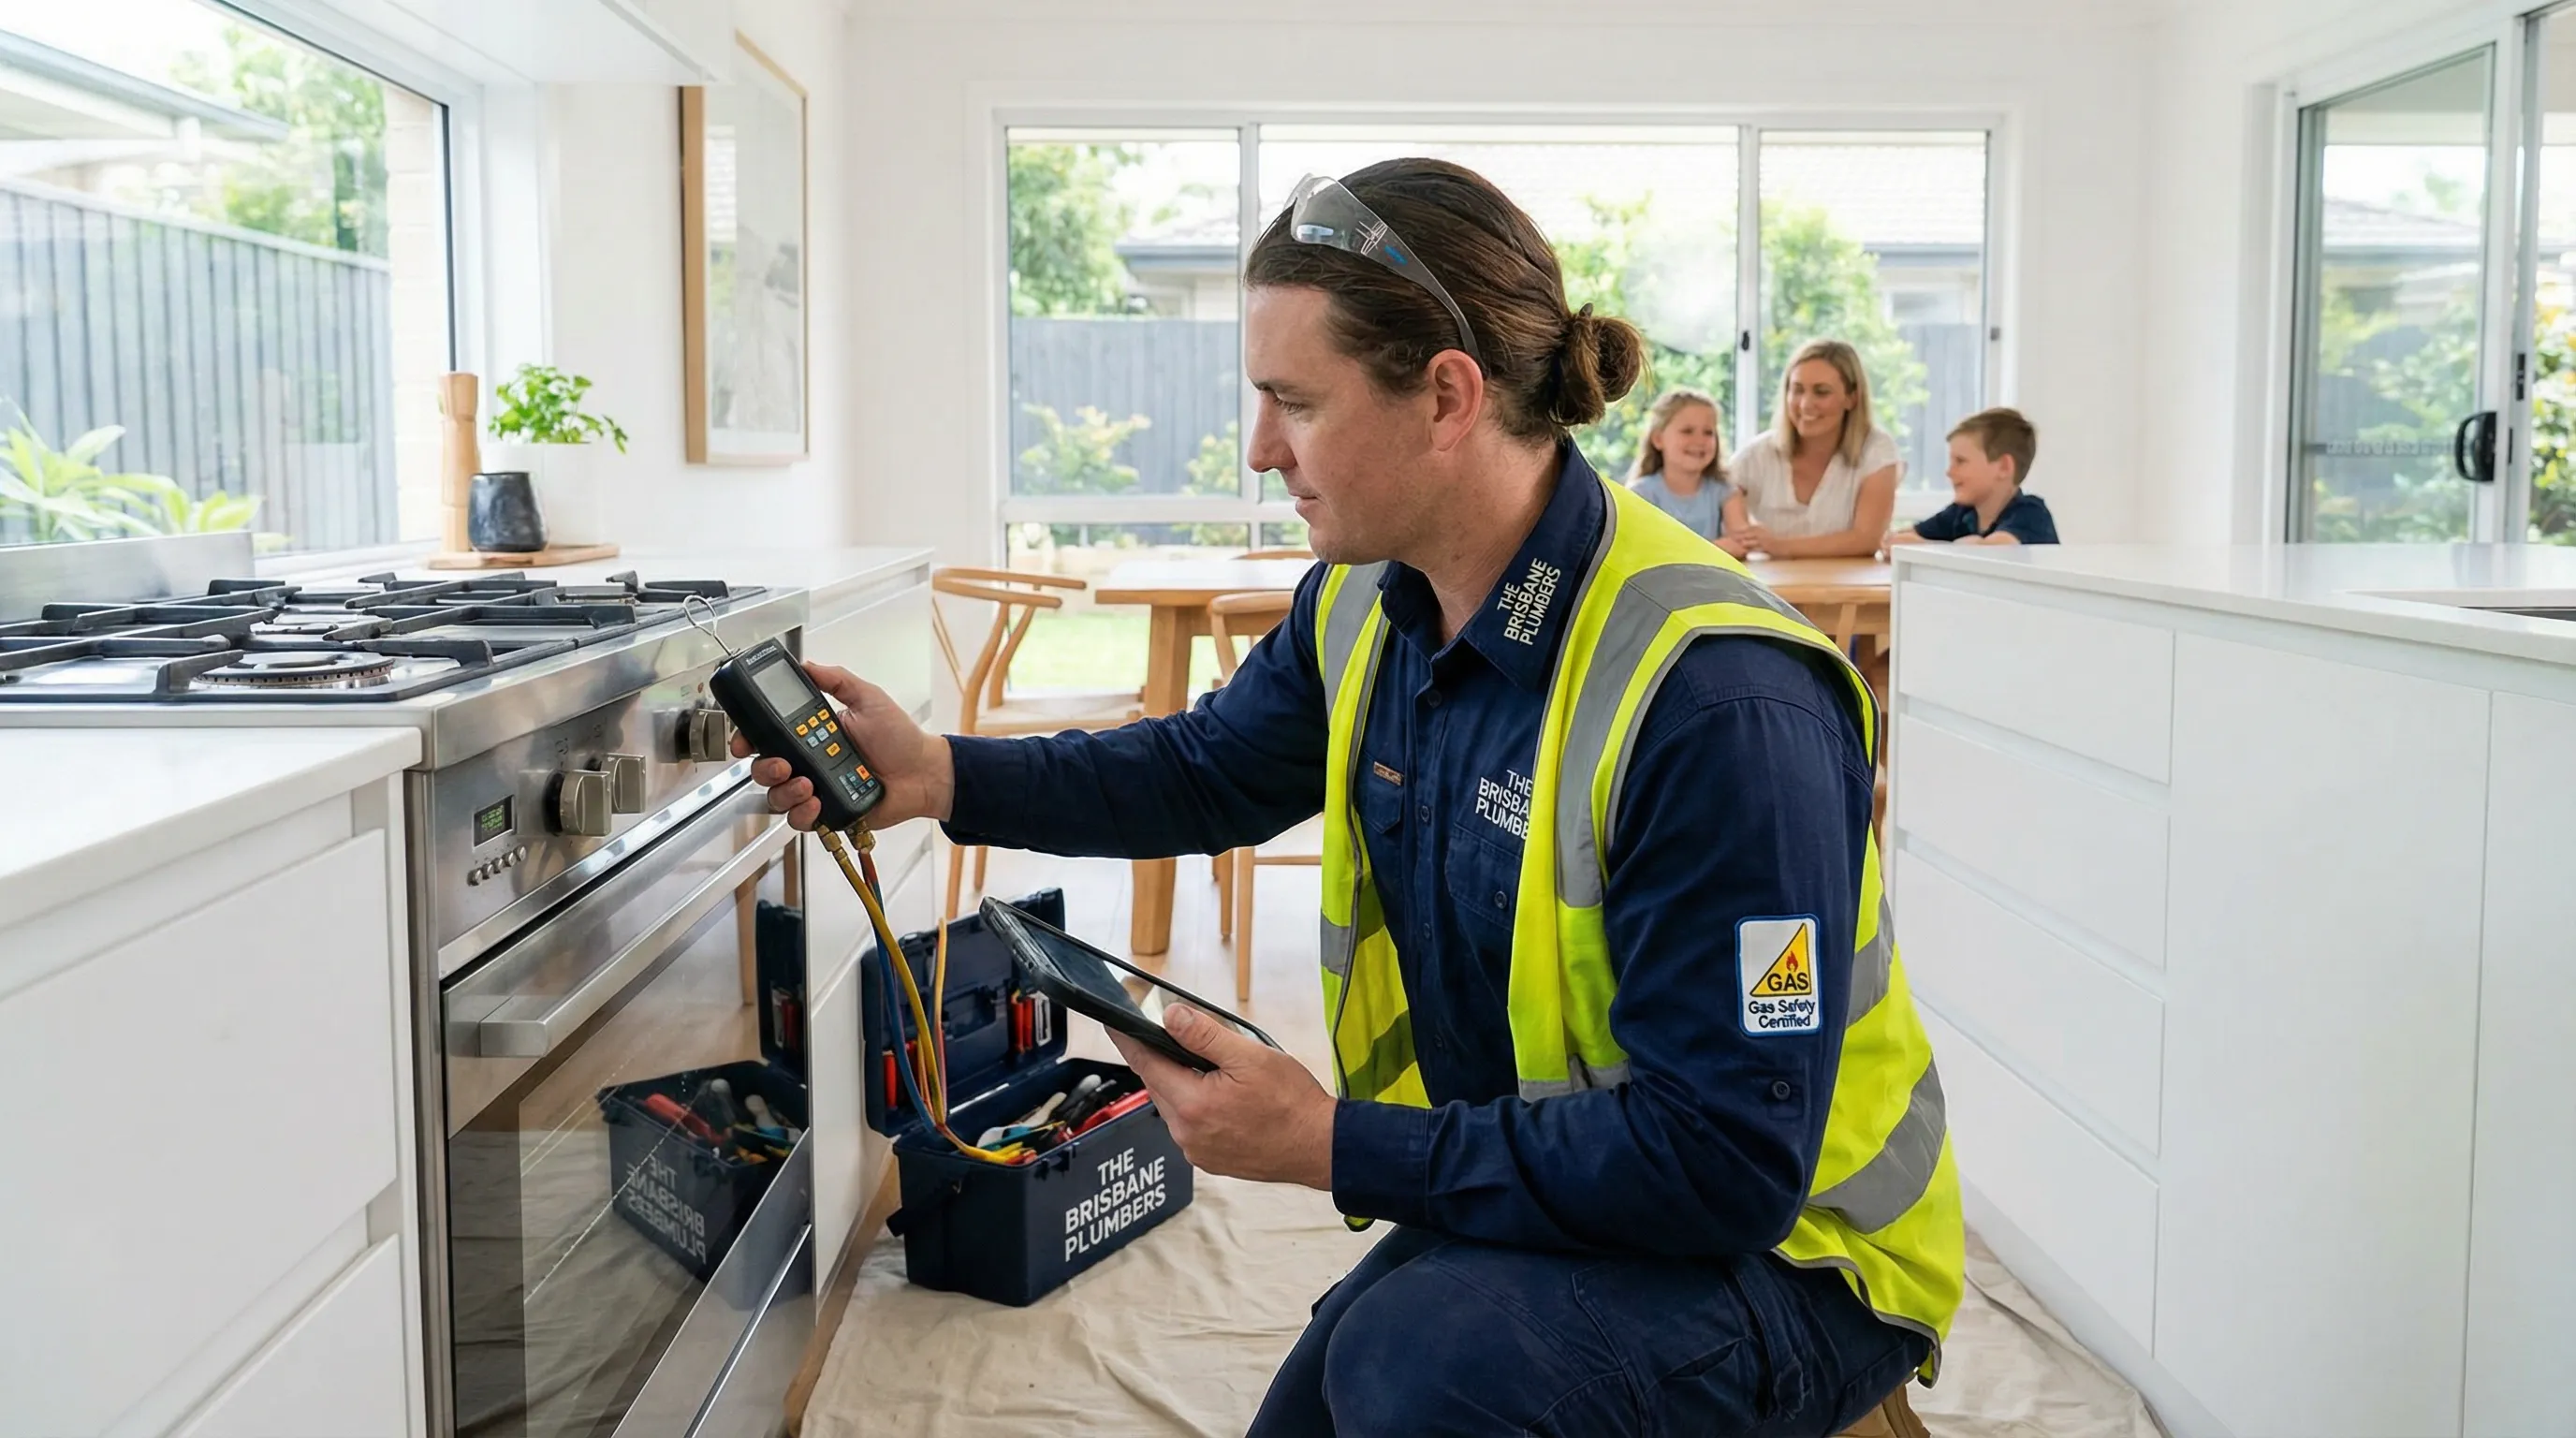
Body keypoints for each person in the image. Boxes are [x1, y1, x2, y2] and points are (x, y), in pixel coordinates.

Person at [739, 159, 1962, 1436]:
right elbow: (1207, 768)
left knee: (1416, 1373)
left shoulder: (1718, 706)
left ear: (1446, 397)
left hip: (1797, 1251)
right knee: (1331, 1400)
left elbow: (1728, 1164)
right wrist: (940, 775)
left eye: (1293, 402)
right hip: (1566, 1168)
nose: (1260, 449)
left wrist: (1330, 1141)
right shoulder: (1368, 598)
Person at [1722, 339, 1901, 558]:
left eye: (1822, 392)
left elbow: (1867, 539)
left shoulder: (1877, 450)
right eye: (1797, 390)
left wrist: (1779, 546)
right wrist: (1741, 533)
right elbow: (1715, 494)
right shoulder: (1757, 455)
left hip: (1847, 579)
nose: (1806, 404)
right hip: (1769, 579)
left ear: (1852, 398)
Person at [1887, 407, 2058, 549]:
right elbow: (1899, 540)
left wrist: (1921, 547)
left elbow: (1990, 553)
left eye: (1960, 461)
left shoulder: (2031, 514)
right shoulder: (1961, 513)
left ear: (2003, 467)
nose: (1949, 472)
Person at [1623, 386, 1734, 547]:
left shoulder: (1725, 492)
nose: (1699, 441)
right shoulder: (1641, 494)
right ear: (1658, 439)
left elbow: (1741, 543)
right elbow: (1644, 549)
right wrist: (1716, 548)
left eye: (1708, 432)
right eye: (1687, 431)